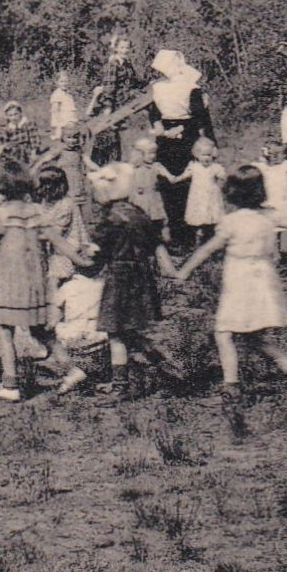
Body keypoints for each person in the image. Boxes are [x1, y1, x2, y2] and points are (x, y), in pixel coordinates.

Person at [174, 165, 287, 402]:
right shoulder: (270, 215)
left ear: (231, 193)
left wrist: (184, 270)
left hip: (240, 280)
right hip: (264, 279)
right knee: (255, 338)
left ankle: (231, 387)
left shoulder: (230, 221)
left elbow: (208, 249)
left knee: (224, 332)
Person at [0, 161, 86, 402]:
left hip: (11, 282)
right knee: (42, 329)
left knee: (4, 329)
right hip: (36, 283)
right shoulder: (36, 211)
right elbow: (59, 242)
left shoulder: (1, 215)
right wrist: (81, 259)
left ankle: (10, 383)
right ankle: (72, 370)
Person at [76, 163, 178, 399]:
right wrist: (171, 270)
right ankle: (164, 368)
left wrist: (84, 259)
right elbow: (157, 244)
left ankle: (121, 385)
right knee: (129, 329)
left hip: (119, 277)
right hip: (142, 275)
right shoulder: (139, 213)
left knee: (116, 332)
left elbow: (98, 255)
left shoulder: (109, 219)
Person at [146, 49, 215, 252]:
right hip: (188, 135)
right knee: (191, 183)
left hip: (166, 138)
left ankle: (178, 234)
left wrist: (162, 129)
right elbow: (202, 118)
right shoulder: (190, 88)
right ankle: (191, 233)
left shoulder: (157, 89)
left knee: (170, 185)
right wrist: (210, 142)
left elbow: (154, 114)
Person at [163, 137, 225, 248]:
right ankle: (198, 243)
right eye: (203, 155)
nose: (206, 158)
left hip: (211, 196)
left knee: (212, 217)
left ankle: (213, 243)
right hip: (198, 196)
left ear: (213, 155)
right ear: (197, 155)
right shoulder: (194, 167)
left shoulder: (215, 167)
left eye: (209, 155)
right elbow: (184, 175)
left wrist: (219, 187)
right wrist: (175, 179)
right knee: (199, 218)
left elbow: (222, 177)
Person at [48, 71, 80, 142]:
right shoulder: (57, 93)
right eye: (62, 81)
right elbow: (54, 109)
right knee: (61, 133)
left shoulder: (68, 94)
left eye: (66, 81)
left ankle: (71, 140)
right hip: (63, 118)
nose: (64, 83)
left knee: (72, 132)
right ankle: (57, 138)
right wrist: (59, 120)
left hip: (70, 117)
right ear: (57, 83)